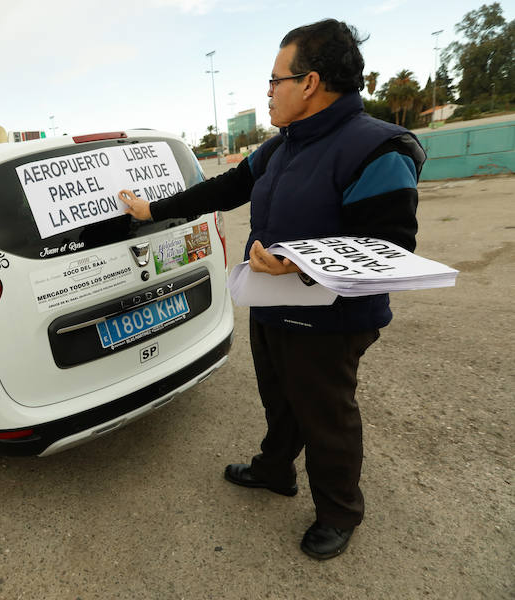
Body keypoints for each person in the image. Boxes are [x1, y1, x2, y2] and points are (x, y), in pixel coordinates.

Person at [120, 19, 424, 560]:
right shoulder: (282, 146)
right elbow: (229, 187)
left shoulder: (376, 148)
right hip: (272, 303)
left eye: (274, 79)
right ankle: (275, 469)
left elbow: (389, 246)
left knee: (326, 413)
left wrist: (301, 266)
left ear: (309, 83)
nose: (268, 91)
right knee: (278, 397)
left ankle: (338, 512)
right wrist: (153, 210)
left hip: (331, 319)